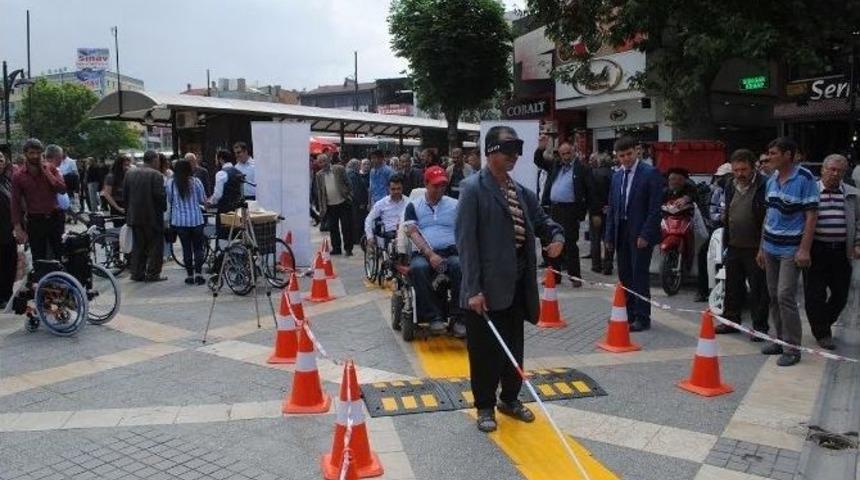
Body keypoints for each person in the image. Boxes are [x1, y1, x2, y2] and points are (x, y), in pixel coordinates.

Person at [456, 125, 564, 433]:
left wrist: (557, 236)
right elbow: (466, 243)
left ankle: (510, 399)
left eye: (517, 149)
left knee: (514, 346)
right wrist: (473, 289)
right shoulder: (473, 189)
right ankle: (485, 406)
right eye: (508, 149)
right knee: (484, 351)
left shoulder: (521, 192)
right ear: (491, 151)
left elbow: (543, 221)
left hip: (517, 285)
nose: (514, 155)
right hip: (484, 289)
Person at [757, 137, 819, 367]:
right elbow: (769, 215)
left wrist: (804, 249)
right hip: (770, 246)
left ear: (788, 155)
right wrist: (761, 247)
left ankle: (792, 348)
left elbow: (811, 216)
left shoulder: (805, 178)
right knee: (773, 294)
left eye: (774, 153)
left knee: (785, 295)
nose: (769, 157)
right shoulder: (772, 179)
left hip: (791, 249)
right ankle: (779, 339)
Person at [605, 137, 664, 332]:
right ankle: (628, 313)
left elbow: (655, 208)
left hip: (640, 231)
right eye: (621, 156)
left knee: (639, 275)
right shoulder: (616, 176)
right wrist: (609, 236)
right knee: (624, 274)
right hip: (621, 229)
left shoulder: (650, 173)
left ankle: (642, 317)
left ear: (636, 151)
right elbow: (612, 207)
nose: (626, 159)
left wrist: (646, 234)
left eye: (629, 154)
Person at [803, 154, 860, 350]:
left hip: (841, 252)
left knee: (841, 295)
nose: (835, 174)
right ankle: (822, 333)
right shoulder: (810, 191)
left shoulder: (853, 194)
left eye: (840, 171)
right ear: (823, 170)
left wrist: (857, 242)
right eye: (832, 169)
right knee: (815, 295)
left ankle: (823, 322)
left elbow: (859, 221)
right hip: (816, 249)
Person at [404, 166, 464, 337]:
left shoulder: (454, 205)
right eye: (435, 185)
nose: (439, 189)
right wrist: (430, 254)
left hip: (451, 251)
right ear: (426, 184)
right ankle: (433, 317)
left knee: (460, 266)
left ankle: (458, 318)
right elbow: (412, 232)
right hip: (424, 252)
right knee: (419, 268)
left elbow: (463, 229)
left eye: (443, 185)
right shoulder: (413, 205)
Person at [718, 149, 769, 339]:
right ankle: (730, 320)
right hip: (734, 244)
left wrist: (763, 247)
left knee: (758, 289)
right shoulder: (730, 185)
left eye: (743, 169)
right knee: (732, 286)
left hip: (756, 246)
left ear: (753, 166)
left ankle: (760, 327)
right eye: (736, 170)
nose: (740, 174)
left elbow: (767, 216)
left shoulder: (764, 185)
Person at [534, 137, 588, 286]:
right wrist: (541, 148)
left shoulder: (581, 168)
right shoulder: (556, 166)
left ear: (574, 152)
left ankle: (575, 277)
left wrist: (584, 212)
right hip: (554, 208)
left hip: (570, 210)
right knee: (552, 241)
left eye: (568, 153)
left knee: (570, 244)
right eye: (563, 154)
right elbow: (538, 161)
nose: (566, 156)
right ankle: (554, 276)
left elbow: (589, 190)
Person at [11, 139, 67, 263]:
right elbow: (15, 202)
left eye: (38, 153)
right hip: (35, 221)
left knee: (60, 256)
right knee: (39, 258)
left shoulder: (51, 169)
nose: (35, 156)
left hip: (55, 218)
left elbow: (62, 189)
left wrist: (47, 172)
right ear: (25, 154)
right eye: (31, 153)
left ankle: (60, 275)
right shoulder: (18, 176)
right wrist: (17, 227)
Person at [123, 150, 168, 282]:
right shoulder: (156, 175)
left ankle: (137, 273)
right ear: (154, 160)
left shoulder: (130, 173)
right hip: (152, 216)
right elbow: (160, 196)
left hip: (135, 216)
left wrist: (128, 211)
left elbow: (125, 195)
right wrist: (164, 208)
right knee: (155, 246)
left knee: (138, 246)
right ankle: (153, 273)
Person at [167, 159, 207, 285]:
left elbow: (170, 199)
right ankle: (199, 274)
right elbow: (203, 199)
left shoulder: (171, 183)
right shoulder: (196, 182)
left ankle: (190, 275)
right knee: (198, 248)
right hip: (196, 220)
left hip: (180, 222)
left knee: (186, 248)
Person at [314, 153, 354, 256]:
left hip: (343, 202)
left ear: (328, 160)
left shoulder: (339, 169)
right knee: (333, 228)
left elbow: (348, 183)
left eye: (324, 161)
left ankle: (348, 249)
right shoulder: (319, 175)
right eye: (320, 162)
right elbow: (320, 191)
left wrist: (349, 196)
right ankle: (336, 248)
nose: (323, 164)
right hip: (330, 205)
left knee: (346, 227)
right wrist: (322, 207)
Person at [585, 153, 613, 274]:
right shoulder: (614, 175)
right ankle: (608, 265)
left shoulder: (594, 174)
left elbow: (591, 194)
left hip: (596, 211)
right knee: (608, 238)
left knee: (595, 239)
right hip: (610, 210)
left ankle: (596, 265)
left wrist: (594, 211)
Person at [209, 148, 244, 245]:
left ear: (221, 159)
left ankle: (224, 253)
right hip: (237, 208)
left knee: (224, 235)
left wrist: (211, 201)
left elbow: (218, 194)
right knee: (236, 234)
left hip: (225, 208)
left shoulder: (221, 173)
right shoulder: (238, 171)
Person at [365, 174, 407, 247]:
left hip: (405, 233)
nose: (396, 191)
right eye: (393, 189)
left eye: (398, 189)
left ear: (402, 188)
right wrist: (370, 237)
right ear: (388, 189)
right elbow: (369, 219)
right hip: (389, 234)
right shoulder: (381, 203)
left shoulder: (409, 202)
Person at [0, 152, 16, 307]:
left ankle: (7, 295)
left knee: (10, 264)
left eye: (1, 159)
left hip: (9, 230)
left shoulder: (7, 181)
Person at [102, 154, 132, 226]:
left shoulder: (127, 175)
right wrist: (118, 208)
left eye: (128, 165)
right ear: (119, 165)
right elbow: (107, 194)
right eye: (125, 165)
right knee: (119, 227)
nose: (127, 167)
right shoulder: (111, 176)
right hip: (117, 205)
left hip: (127, 205)